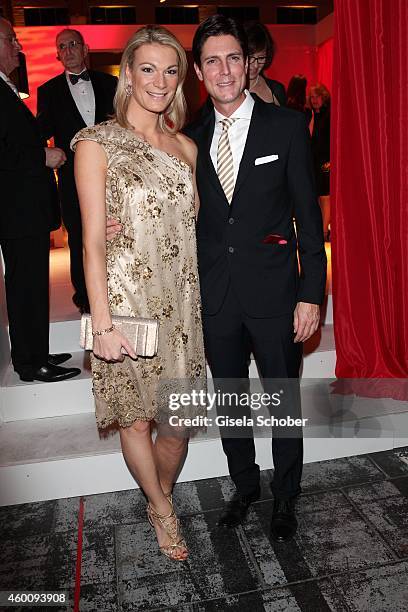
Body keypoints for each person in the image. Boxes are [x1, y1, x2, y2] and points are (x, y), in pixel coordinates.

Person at [184, 15, 326, 541]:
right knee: (231, 401)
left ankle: (285, 496)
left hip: (275, 295)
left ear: (248, 65)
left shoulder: (286, 126)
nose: (224, 70)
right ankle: (245, 488)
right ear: (199, 70)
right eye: (213, 60)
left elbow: (310, 222)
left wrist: (312, 293)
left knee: (283, 403)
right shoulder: (188, 139)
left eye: (233, 58)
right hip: (216, 296)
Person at [72, 25, 205, 561]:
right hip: (125, 302)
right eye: (148, 68)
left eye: (171, 70)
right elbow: (91, 243)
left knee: (178, 425)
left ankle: (160, 492)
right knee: (135, 418)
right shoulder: (95, 143)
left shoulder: (186, 146)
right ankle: (161, 509)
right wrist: (101, 323)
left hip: (182, 304)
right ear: (128, 74)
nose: (160, 80)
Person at [0, 17, 81, 383]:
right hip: (16, 211)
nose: (18, 47)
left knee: (31, 284)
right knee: (25, 286)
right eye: (11, 39)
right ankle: (30, 363)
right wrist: (42, 157)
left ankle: (35, 351)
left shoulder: (6, 88)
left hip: (23, 210)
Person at [37, 28, 118, 313]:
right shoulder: (47, 91)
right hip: (72, 181)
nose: (68, 49)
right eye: (63, 46)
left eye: (73, 44)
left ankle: (119, 291)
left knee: (116, 233)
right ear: (58, 55)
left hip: (113, 177)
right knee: (79, 235)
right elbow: (40, 132)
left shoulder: (111, 83)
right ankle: (85, 298)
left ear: (85, 49)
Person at [244, 21, 286, 105]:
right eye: (251, 57)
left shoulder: (276, 89)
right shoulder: (226, 90)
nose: (256, 65)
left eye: (261, 58)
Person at [309, 83, 331, 241]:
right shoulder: (311, 115)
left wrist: (331, 160)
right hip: (314, 161)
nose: (314, 99)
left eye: (317, 96)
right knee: (316, 196)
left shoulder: (329, 114)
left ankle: (324, 231)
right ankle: (320, 229)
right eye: (312, 97)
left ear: (324, 97)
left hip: (326, 161)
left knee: (325, 196)